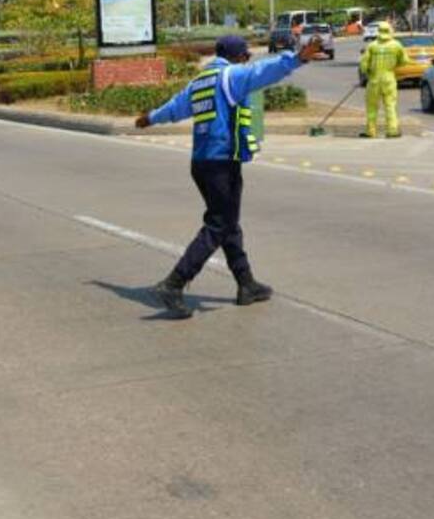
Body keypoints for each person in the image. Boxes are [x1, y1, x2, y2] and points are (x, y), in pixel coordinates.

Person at [134, 33, 324, 319]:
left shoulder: (200, 82)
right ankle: (174, 283)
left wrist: (150, 118)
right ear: (238, 56)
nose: (247, 60)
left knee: (228, 223)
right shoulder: (230, 76)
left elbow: (175, 108)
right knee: (219, 224)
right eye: (246, 55)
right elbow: (264, 72)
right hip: (222, 161)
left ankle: (246, 283)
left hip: (202, 162)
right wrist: (297, 58)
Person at [359, 21, 409, 138]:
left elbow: (363, 65)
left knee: (372, 107)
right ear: (390, 31)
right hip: (389, 78)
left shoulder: (372, 46)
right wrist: (394, 65)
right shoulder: (396, 45)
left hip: (374, 80)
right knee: (390, 105)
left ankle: (371, 131)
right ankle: (392, 130)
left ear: (378, 31)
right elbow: (405, 61)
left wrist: (367, 73)